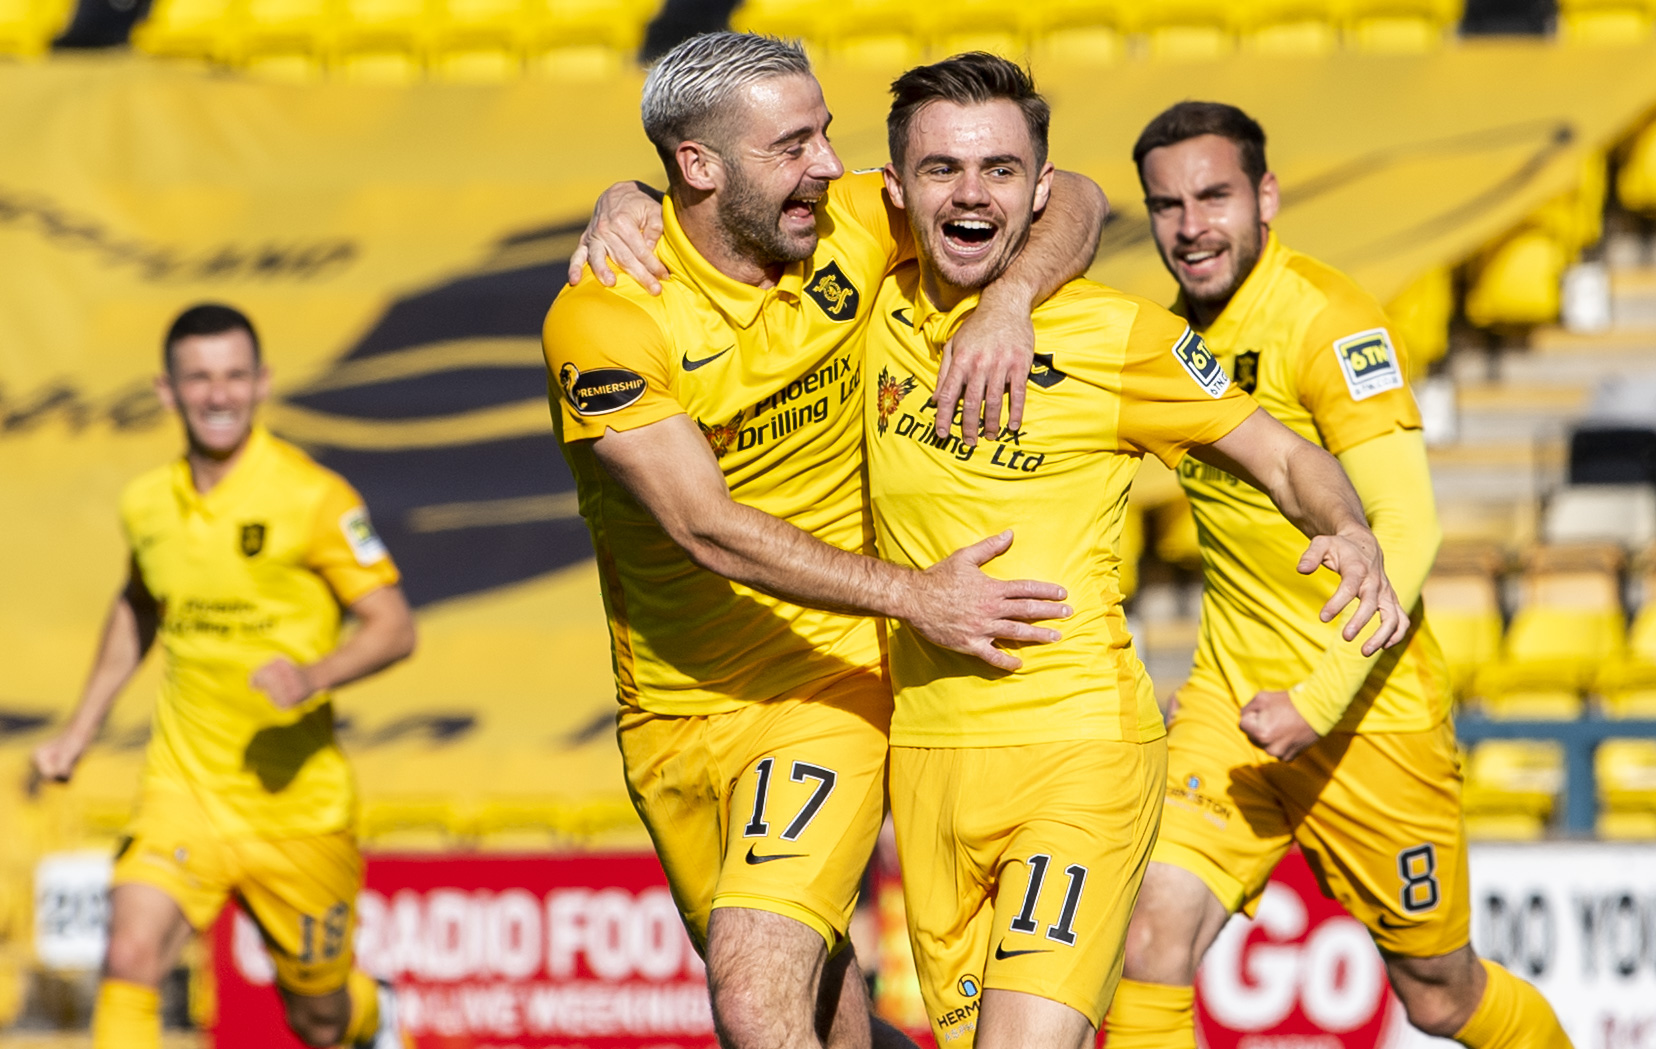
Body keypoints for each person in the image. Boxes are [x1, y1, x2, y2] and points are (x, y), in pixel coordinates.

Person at [539, 32, 1106, 1049]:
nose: (831, 166)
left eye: (826, 134)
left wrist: (1012, 295)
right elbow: (704, 526)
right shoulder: (608, 318)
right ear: (697, 167)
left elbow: (1077, 196)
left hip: (830, 677)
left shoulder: (847, 220)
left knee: (754, 999)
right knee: (823, 1010)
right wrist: (621, 198)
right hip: (670, 713)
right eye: (792, 145)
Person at [864, 55, 1408, 1049]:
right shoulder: (866, 301)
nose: (972, 192)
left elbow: (1287, 458)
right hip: (929, 759)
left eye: (999, 169)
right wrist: (624, 206)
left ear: (1039, 189)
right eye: (943, 169)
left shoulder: (1120, 337)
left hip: (1080, 751)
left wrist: (1352, 531)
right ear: (896, 191)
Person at [1102, 102, 1570, 1049]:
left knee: (1439, 995)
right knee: (1148, 937)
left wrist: (1318, 697)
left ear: (1266, 195)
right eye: (1166, 205)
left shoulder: (1325, 318)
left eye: (1215, 196)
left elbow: (1410, 526)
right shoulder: (1161, 341)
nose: (1191, 226)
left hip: (1364, 716)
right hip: (1230, 706)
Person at [30, 304, 416, 1049]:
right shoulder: (148, 503)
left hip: (296, 807)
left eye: (235, 375)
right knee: (130, 954)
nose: (218, 394)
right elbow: (139, 602)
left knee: (321, 1020)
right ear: (167, 391)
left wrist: (313, 675)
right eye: (199, 377)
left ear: (262, 383)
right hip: (185, 789)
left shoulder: (313, 497)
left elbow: (394, 626)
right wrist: (79, 729)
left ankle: (375, 1010)